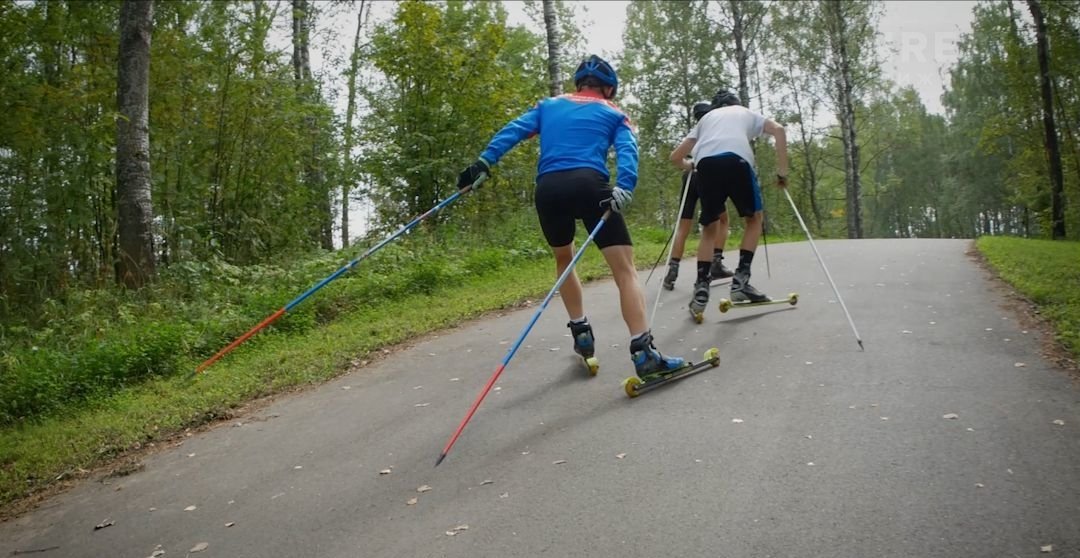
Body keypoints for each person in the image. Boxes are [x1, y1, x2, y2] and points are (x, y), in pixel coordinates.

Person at [457, 54, 686, 379]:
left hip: (548, 189)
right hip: (590, 186)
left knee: (564, 258)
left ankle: (580, 331)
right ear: (609, 89)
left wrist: (483, 163)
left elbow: (514, 130)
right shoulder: (614, 112)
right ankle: (643, 353)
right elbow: (628, 150)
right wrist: (625, 185)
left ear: (579, 85)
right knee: (625, 270)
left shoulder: (548, 106)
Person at [669, 89, 788, 316]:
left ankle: (701, 287)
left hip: (705, 166)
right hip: (737, 161)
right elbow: (779, 130)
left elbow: (675, 157)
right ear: (735, 102)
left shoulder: (706, 119)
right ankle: (741, 281)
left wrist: (690, 165)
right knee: (754, 219)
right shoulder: (743, 112)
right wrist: (782, 173)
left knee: (709, 227)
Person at [663, 101, 734, 292]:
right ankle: (716, 262)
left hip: (689, 175)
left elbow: (677, 156)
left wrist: (688, 165)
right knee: (722, 220)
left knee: (683, 227)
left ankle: (672, 271)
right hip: (706, 175)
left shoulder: (694, 131)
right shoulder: (715, 129)